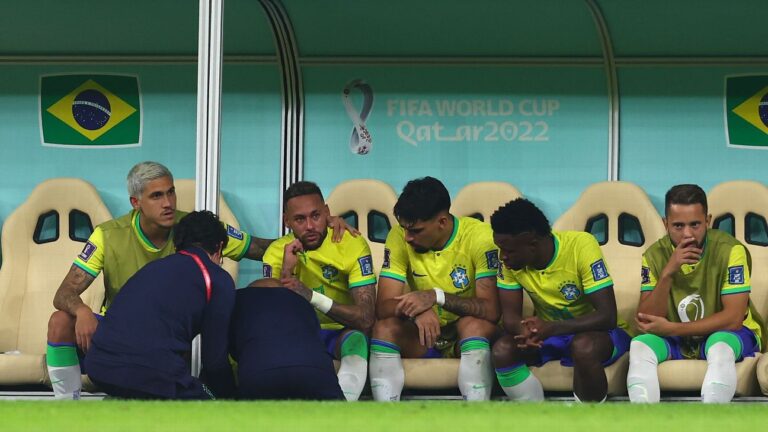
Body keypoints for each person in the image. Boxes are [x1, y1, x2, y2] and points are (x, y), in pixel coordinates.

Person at [45, 161, 352, 399]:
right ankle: (66, 409)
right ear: (135, 203)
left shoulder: (194, 226)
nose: (168, 203)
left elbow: (261, 248)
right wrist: (84, 311)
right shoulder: (108, 235)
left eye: (170, 192)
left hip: (155, 345)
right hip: (116, 331)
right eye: (156, 196)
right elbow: (63, 294)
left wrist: (317, 232)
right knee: (61, 319)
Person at [626, 184, 765, 403]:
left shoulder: (730, 250)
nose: (687, 234)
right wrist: (668, 273)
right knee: (640, 346)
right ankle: (645, 422)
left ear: (708, 221)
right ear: (665, 224)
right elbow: (646, 320)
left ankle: (709, 423)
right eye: (678, 226)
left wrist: (673, 328)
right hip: (675, 338)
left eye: (695, 224)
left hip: (726, 334)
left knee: (720, 346)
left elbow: (733, 319)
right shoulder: (653, 255)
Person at [369, 177, 500, 402]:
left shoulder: (480, 238)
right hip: (423, 337)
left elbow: (491, 311)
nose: (408, 238)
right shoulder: (400, 237)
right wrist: (417, 309)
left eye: (416, 230)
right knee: (384, 328)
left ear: (441, 222)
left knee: (473, 325)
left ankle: (477, 418)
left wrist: (435, 297)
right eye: (405, 229)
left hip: (464, 336)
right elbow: (383, 306)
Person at [84, 211, 236, 399]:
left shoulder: (153, 269)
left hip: (100, 366)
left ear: (176, 245)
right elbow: (214, 362)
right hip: (153, 376)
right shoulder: (216, 278)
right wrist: (232, 399)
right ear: (219, 248)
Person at [491, 198, 630, 402]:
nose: (502, 257)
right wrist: (527, 332)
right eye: (501, 249)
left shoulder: (580, 246)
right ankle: (534, 415)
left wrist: (552, 328)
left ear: (532, 243)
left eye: (509, 250)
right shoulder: (511, 262)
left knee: (583, 347)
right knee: (502, 350)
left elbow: (607, 316)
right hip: (549, 335)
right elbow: (510, 319)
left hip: (597, 334)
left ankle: (589, 420)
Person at [255, 181, 376, 401]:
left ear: (328, 213)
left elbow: (366, 318)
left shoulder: (351, 243)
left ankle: (339, 414)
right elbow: (271, 319)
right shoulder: (276, 252)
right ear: (287, 221)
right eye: (300, 219)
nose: (310, 226)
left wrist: (311, 296)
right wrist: (287, 271)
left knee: (357, 339)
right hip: (298, 335)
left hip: (341, 332)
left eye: (316, 216)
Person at [230, 287, 344, 400]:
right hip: (316, 374)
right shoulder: (302, 302)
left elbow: (219, 357)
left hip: (259, 376)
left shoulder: (234, 299)